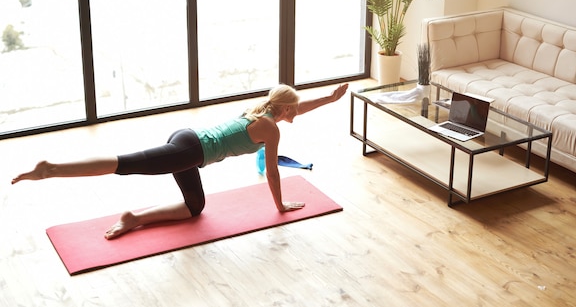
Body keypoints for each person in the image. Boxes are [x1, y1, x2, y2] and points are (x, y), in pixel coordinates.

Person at [12, 83, 349, 240]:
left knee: (194, 206)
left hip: (188, 140)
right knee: (124, 164)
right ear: (285, 110)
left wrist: (330, 99)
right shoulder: (271, 130)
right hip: (189, 153)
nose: (298, 113)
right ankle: (51, 169)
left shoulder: (261, 111)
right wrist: (280, 206)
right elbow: (273, 173)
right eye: (296, 109)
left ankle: (133, 218)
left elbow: (295, 106)